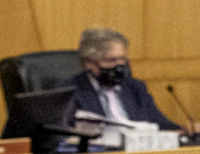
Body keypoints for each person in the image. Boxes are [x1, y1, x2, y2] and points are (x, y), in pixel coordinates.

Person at [64, 27, 193, 145]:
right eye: (111, 61)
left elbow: (160, 124)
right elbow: (63, 135)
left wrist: (186, 130)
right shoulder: (72, 92)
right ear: (89, 63)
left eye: (122, 59)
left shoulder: (134, 87)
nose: (118, 66)